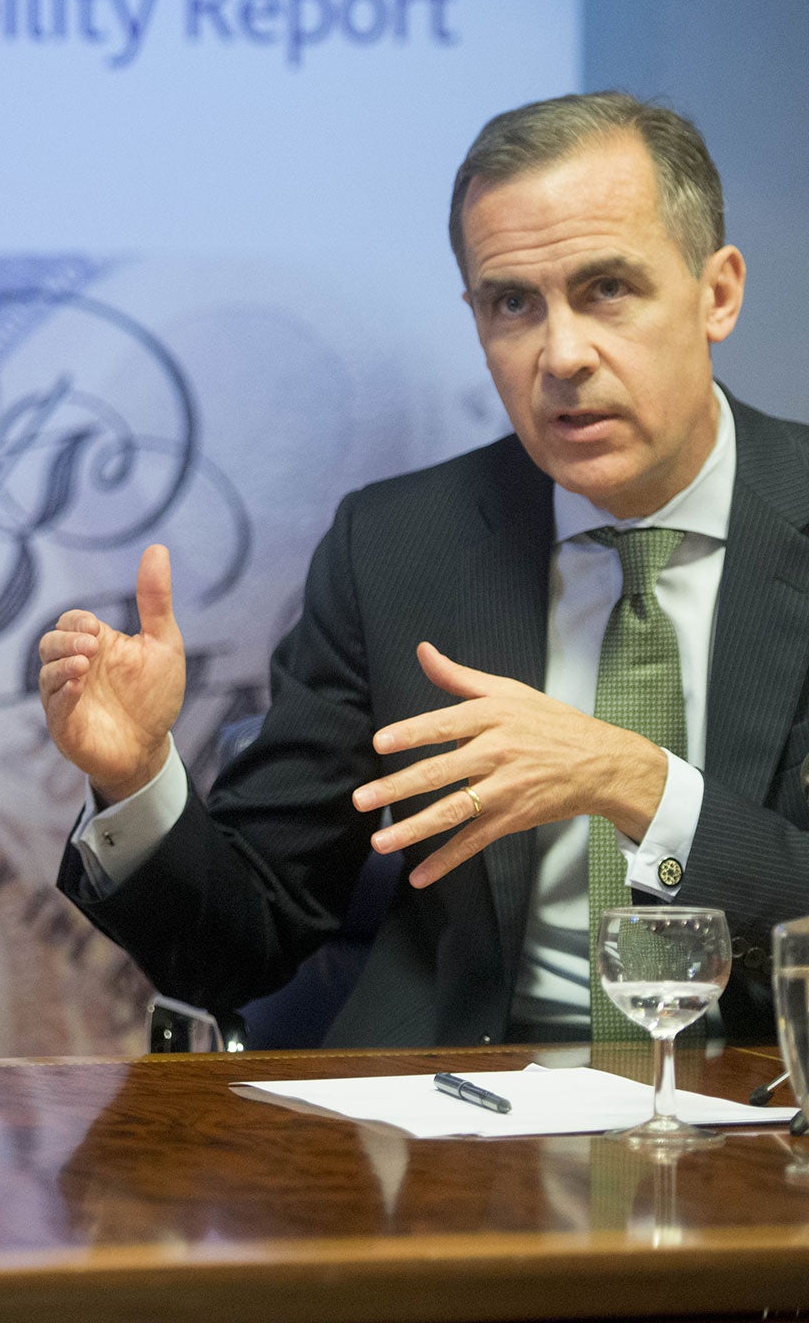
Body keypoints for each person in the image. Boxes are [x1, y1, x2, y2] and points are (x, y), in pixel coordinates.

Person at [40, 91, 809, 1047]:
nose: (562, 354)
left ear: (717, 293)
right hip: (462, 1126)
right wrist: (139, 781)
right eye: (512, 304)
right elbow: (244, 944)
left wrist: (637, 784)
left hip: (765, 1103)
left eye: (608, 288)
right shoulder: (399, 548)